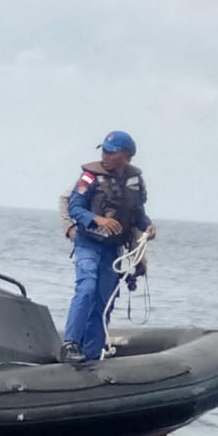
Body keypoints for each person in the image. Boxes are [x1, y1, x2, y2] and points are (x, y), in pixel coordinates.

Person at [60, 130, 156, 363]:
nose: (105, 156)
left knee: (104, 300)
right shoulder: (89, 178)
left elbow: (138, 214)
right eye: (103, 151)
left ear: (127, 156)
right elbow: (75, 207)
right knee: (86, 288)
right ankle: (70, 344)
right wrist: (97, 219)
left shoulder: (135, 181)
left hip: (112, 249)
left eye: (111, 153)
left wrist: (148, 227)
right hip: (88, 244)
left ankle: (92, 354)